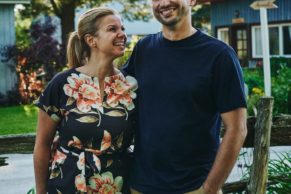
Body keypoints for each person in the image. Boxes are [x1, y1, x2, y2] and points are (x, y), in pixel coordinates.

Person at [123, 0, 247, 193]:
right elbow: (115, 98)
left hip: (193, 187)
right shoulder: (143, 49)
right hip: (141, 186)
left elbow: (237, 129)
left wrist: (209, 188)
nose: (164, 3)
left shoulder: (219, 55)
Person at [33, 7, 137, 194]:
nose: (122, 34)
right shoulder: (62, 84)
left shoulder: (131, 85)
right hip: (67, 183)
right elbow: (42, 145)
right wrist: (40, 192)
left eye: (123, 29)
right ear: (91, 40)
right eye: (113, 29)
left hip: (118, 184)